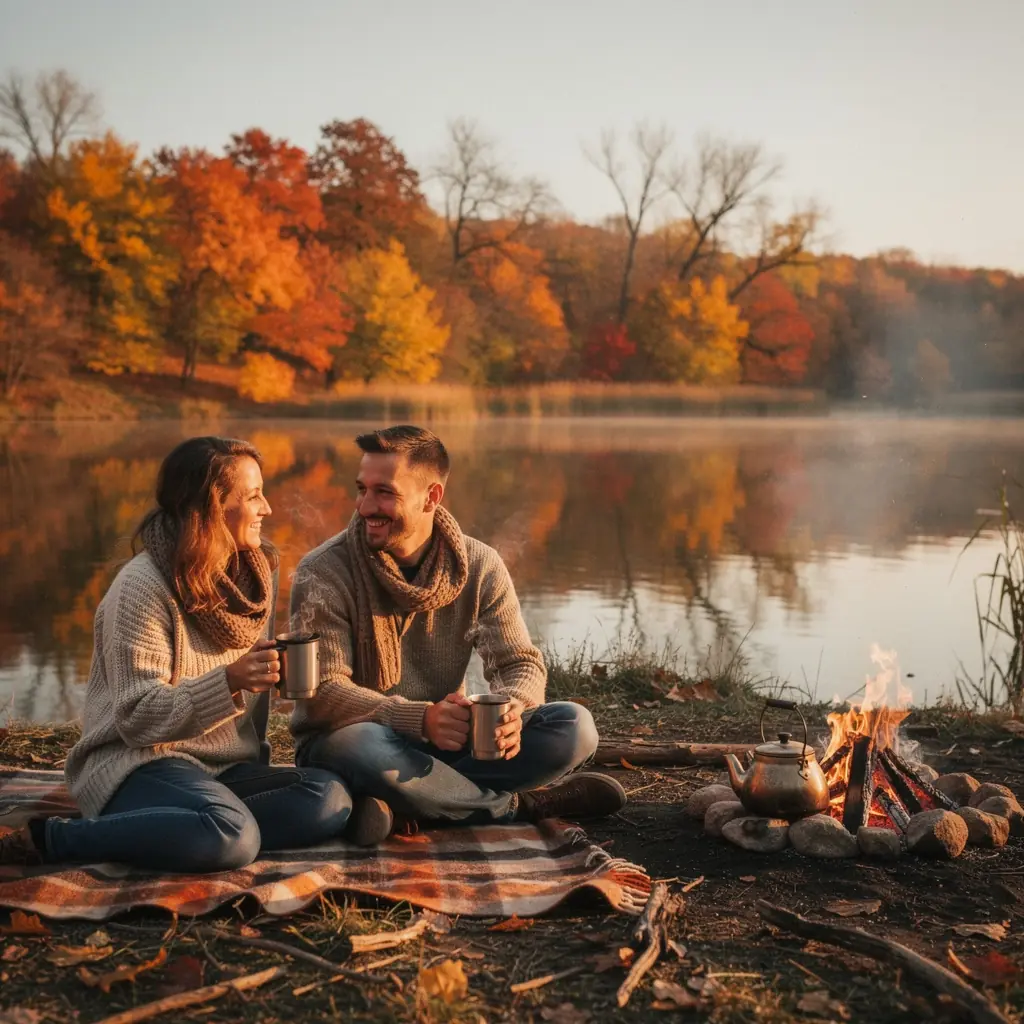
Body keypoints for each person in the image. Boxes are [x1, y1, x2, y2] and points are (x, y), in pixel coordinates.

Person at [0, 436, 353, 871]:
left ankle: (186, 827)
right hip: (137, 764)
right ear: (209, 509)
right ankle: (55, 838)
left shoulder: (253, 582)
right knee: (232, 837)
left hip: (221, 771)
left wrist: (271, 681)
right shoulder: (141, 587)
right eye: (254, 496)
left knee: (328, 796)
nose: (268, 508)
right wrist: (229, 681)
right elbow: (137, 718)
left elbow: (249, 709)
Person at [290, 425, 626, 841]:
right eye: (362, 489)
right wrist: (418, 718)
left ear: (432, 497)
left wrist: (513, 711)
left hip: (445, 746)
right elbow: (322, 692)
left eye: (384, 493)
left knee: (574, 727)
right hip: (351, 743)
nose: (364, 506)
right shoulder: (323, 571)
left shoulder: (479, 565)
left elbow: (519, 663)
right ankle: (519, 806)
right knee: (359, 746)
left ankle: (414, 802)